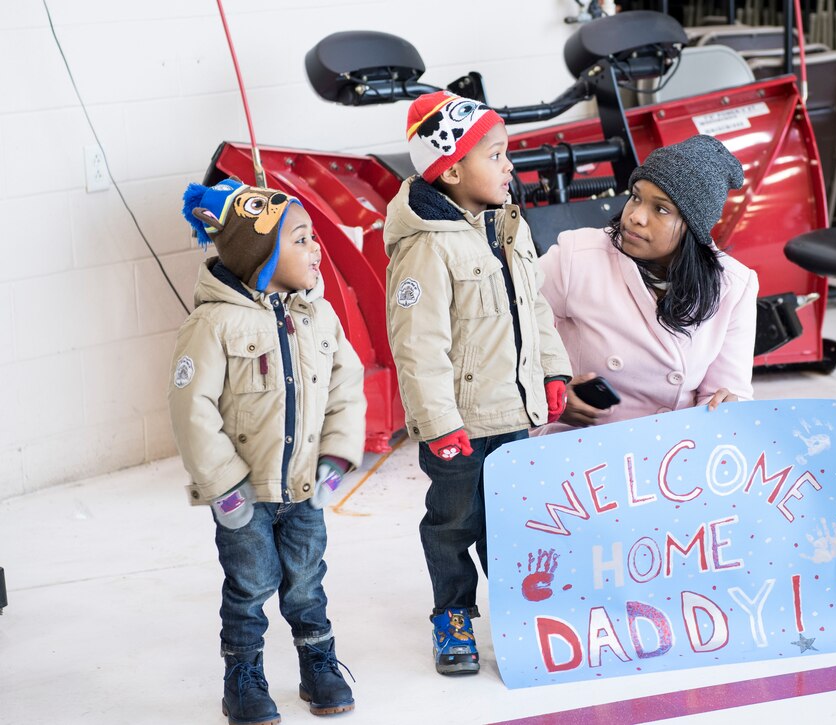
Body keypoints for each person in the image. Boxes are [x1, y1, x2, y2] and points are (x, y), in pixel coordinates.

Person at [383, 91, 572, 675]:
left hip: (515, 414)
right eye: (497, 155)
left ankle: (522, 615)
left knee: (515, 523)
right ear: (454, 167)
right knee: (454, 524)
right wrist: (439, 425)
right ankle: (454, 614)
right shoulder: (425, 249)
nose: (510, 167)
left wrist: (553, 369)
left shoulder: (509, 228)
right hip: (462, 426)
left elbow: (534, 307)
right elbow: (418, 349)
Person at [170, 178, 365, 724]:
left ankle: (318, 663)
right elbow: (191, 410)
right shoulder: (211, 324)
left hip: (306, 483)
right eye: (301, 239)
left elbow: (346, 388)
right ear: (262, 255)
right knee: (250, 585)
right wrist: (221, 486)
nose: (316, 249)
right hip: (243, 496)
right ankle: (243, 675)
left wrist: (338, 456)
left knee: (307, 581)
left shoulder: (318, 316)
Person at [536, 134, 758, 433]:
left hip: (670, 453)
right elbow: (505, 339)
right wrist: (550, 397)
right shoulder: (577, 257)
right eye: (636, 197)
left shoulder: (732, 286)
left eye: (661, 209)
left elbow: (727, 391)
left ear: (693, 226)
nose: (636, 216)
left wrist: (729, 405)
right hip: (576, 452)